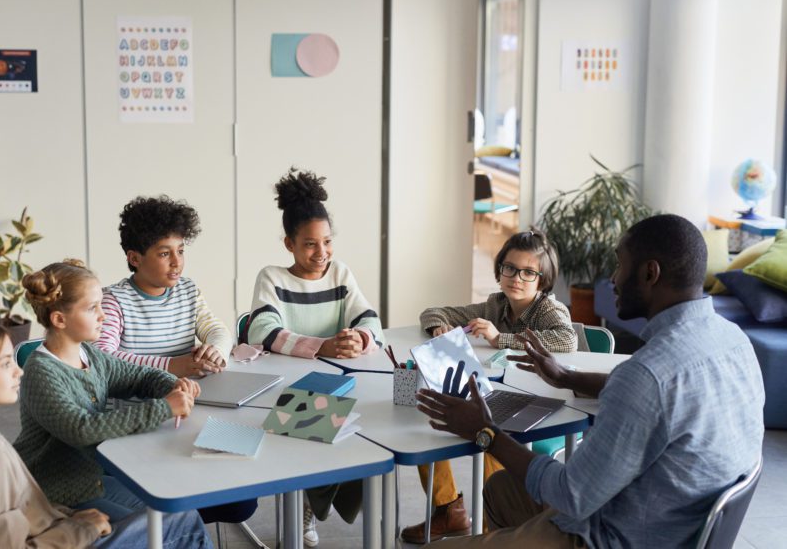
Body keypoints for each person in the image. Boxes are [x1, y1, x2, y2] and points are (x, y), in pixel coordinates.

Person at [416, 214, 765, 549]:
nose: (613, 278)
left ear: (650, 273)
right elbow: (660, 396)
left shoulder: (647, 376)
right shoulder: (734, 340)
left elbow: (570, 494)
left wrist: (486, 433)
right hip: (670, 523)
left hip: (609, 536)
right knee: (502, 489)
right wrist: (566, 377)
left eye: (620, 264)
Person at [0, 316, 211, 548]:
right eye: (5, 364)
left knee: (161, 509)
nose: (18, 371)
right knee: (182, 520)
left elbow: (21, 509)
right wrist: (81, 530)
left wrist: (73, 519)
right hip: (66, 539)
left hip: (55, 525)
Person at [16, 259, 254, 527]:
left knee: (184, 517)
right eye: (92, 308)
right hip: (54, 493)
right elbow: (82, 429)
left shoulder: (89, 354)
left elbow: (139, 376)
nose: (102, 316)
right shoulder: (41, 371)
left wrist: (173, 385)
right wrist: (165, 407)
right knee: (170, 526)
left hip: (91, 478)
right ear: (59, 319)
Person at [402, 228, 576, 543]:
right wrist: (439, 326)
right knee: (433, 417)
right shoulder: (495, 305)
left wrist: (501, 338)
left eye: (528, 272)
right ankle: (447, 508)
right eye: (510, 268)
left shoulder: (548, 309)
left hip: (540, 406)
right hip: (499, 396)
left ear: (543, 280)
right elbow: (432, 312)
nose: (517, 278)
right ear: (500, 270)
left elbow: (566, 340)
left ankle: (491, 531)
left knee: (490, 433)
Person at [247, 167, 385, 546]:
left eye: (326, 242)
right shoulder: (272, 278)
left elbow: (371, 320)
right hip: (287, 392)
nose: (321, 252)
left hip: (338, 385)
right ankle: (309, 503)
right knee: (330, 426)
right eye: (309, 244)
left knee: (374, 427)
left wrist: (359, 338)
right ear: (289, 244)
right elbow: (261, 332)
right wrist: (321, 346)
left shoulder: (339, 274)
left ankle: (313, 502)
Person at [96, 195, 230, 378]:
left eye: (180, 251)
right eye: (165, 254)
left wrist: (216, 350)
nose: (177, 262)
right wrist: (171, 365)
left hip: (189, 391)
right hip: (140, 395)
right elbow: (102, 356)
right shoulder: (113, 300)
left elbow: (217, 330)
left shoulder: (188, 291)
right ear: (134, 258)